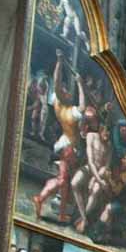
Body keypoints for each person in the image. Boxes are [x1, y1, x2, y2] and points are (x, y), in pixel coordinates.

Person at [32, 51, 86, 224]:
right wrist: (80, 85)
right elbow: (83, 106)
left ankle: (61, 213)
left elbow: (56, 82)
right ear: (63, 95)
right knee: (63, 180)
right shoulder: (70, 113)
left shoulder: (56, 100)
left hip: (63, 144)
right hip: (67, 147)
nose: (68, 92)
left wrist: (60, 62)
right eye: (65, 91)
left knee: (64, 182)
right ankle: (40, 198)